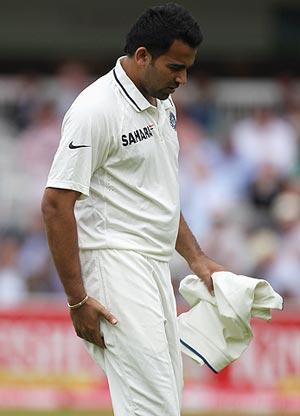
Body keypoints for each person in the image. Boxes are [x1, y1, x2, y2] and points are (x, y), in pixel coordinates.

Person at [41, 4, 223, 415]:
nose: (183, 79)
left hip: (154, 267)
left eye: (188, 68)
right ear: (142, 56)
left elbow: (158, 195)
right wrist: (76, 300)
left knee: (163, 402)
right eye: (175, 67)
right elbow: (55, 204)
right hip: (114, 266)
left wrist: (196, 259)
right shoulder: (96, 109)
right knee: (154, 407)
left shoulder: (164, 103)